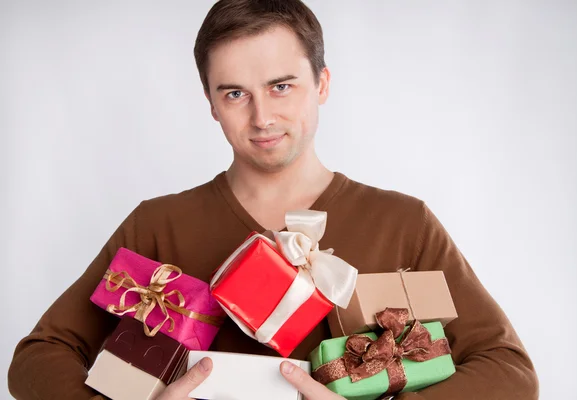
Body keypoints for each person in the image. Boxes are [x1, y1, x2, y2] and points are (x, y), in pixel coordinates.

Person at [8, 0, 539, 399]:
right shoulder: (157, 224)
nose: (262, 117)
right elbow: (37, 359)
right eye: (235, 93)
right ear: (211, 104)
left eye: (281, 86)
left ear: (322, 82)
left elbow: (509, 370)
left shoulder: (403, 222)